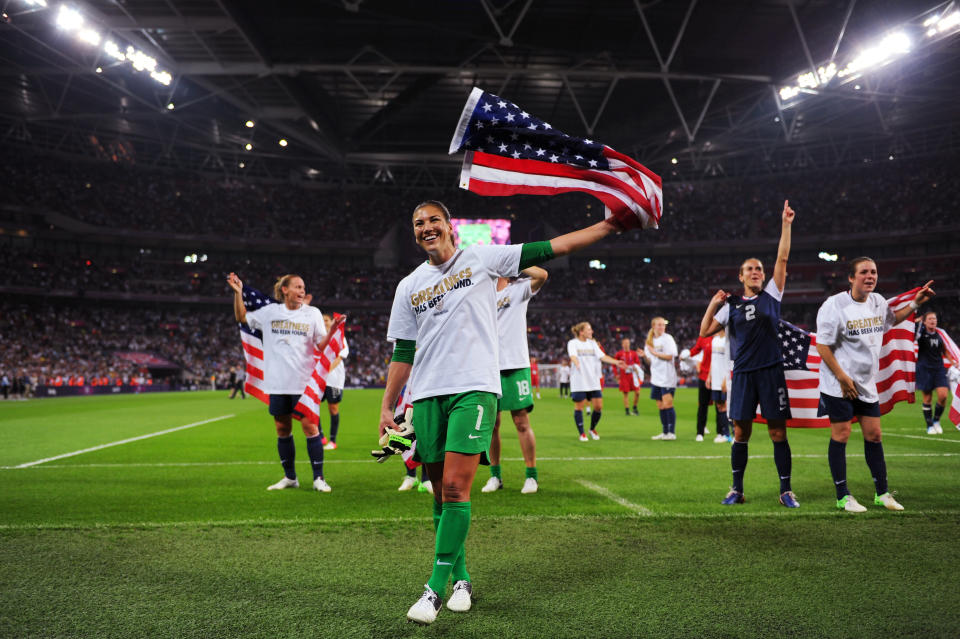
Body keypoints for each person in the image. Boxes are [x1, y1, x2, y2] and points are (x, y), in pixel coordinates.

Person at [380, 199, 624, 624]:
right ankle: (462, 578)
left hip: (474, 390)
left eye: (434, 219)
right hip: (427, 395)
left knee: (457, 489)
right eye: (419, 223)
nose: (426, 227)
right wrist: (387, 403)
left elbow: (551, 248)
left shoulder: (480, 258)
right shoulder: (408, 286)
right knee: (439, 493)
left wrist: (606, 228)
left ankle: (432, 591)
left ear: (449, 226)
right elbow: (404, 349)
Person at [700, 200, 798, 508]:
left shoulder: (772, 296)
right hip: (742, 374)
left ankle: (785, 491)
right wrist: (713, 304)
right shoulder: (732, 306)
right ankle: (737, 489)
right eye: (750, 269)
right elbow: (704, 331)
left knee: (777, 431)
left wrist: (786, 224)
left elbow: (782, 258)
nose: (756, 272)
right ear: (741, 276)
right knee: (740, 431)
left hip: (771, 371)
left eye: (759, 269)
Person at [817, 260, 935, 512]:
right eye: (864, 272)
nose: (870, 276)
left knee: (874, 435)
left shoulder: (878, 302)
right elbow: (822, 345)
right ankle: (843, 496)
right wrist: (841, 376)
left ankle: (881, 493)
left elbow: (891, 321)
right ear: (851, 277)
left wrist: (916, 303)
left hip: (865, 383)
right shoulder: (834, 305)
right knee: (842, 435)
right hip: (837, 383)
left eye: (873, 272)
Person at [227, 272, 342, 493]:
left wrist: (333, 330)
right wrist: (239, 293)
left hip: (304, 383)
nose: (301, 291)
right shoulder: (270, 312)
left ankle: (319, 478)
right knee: (282, 429)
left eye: (303, 287)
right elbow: (242, 318)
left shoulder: (313, 314)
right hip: (277, 383)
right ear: (284, 290)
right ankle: (290, 477)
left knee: (310, 428)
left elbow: (320, 346)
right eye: (297, 287)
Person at [482, 266, 548, 495]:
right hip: (489, 367)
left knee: (521, 421)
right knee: (491, 426)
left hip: (515, 364)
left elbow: (542, 275)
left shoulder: (518, 289)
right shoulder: (483, 294)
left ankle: (531, 477)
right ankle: (495, 476)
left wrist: (515, 262)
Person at [567, 322, 625, 441]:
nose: (591, 331)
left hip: (593, 381)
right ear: (581, 332)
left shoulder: (592, 343)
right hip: (579, 381)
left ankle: (592, 429)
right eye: (589, 329)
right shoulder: (573, 343)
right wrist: (576, 362)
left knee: (598, 406)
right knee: (579, 407)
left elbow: (602, 356)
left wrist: (616, 362)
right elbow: (572, 355)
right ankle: (581, 433)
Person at [915, 311, 959, 434]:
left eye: (934, 319)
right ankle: (929, 425)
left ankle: (936, 421)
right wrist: (917, 323)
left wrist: (953, 361)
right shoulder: (921, 334)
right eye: (930, 319)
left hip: (938, 369)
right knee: (927, 398)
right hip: (924, 369)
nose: (933, 321)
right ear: (924, 322)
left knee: (943, 396)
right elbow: (913, 335)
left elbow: (945, 350)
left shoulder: (940, 334)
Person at [645, 317, 678, 440]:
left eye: (663, 325)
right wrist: (644, 356)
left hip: (667, 377)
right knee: (661, 406)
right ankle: (665, 432)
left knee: (668, 404)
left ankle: (672, 432)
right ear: (653, 326)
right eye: (659, 325)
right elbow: (649, 361)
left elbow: (670, 356)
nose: (662, 327)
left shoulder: (668, 339)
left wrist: (655, 353)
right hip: (656, 378)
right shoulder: (650, 341)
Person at [321, 313, 349, 450]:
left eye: (326, 320)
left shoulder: (339, 337)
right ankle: (320, 436)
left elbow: (339, 358)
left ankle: (332, 441)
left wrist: (325, 371)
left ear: (331, 321)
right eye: (322, 320)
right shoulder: (317, 337)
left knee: (333, 408)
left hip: (334, 379)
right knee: (310, 406)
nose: (324, 322)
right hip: (318, 378)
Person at [707, 329, 732, 443]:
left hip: (724, 379)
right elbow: (713, 360)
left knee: (726, 407)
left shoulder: (728, 341)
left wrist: (725, 379)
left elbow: (730, 362)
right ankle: (723, 433)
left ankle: (731, 434)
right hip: (715, 379)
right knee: (719, 407)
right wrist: (709, 376)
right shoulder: (715, 340)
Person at [686, 335, 713, 440]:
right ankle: (700, 432)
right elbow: (695, 350)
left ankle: (724, 432)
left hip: (720, 376)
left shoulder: (724, 336)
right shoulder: (703, 337)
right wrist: (686, 355)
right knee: (703, 405)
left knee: (722, 406)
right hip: (704, 375)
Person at [614, 337, 643, 416]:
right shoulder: (619, 354)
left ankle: (634, 407)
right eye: (625, 343)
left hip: (633, 376)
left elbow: (638, 363)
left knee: (637, 392)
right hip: (624, 376)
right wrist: (616, 374)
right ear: (622, 344)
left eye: (628, 342)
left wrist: (635, 367)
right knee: (625, 393)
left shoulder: (633, 353)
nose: (626, 344)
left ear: (629, 343)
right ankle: (627, 410)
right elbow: (614, 364)